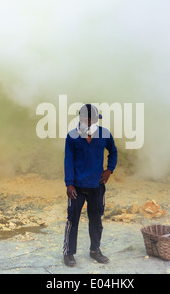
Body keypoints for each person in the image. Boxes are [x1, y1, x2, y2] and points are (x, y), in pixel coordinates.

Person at [62, 104, 118, 267]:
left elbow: (113, 152)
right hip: (77, 187)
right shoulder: (72, 136)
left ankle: (95, 250)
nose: (90, 123)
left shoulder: (104, 134)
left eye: (93, 120)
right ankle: (68, 253)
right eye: (86, 120)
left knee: (96, 220)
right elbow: (68, 161)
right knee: (72, 220)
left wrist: (109, 170)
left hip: (97, 186)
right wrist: (69, 184)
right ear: (80, 120)